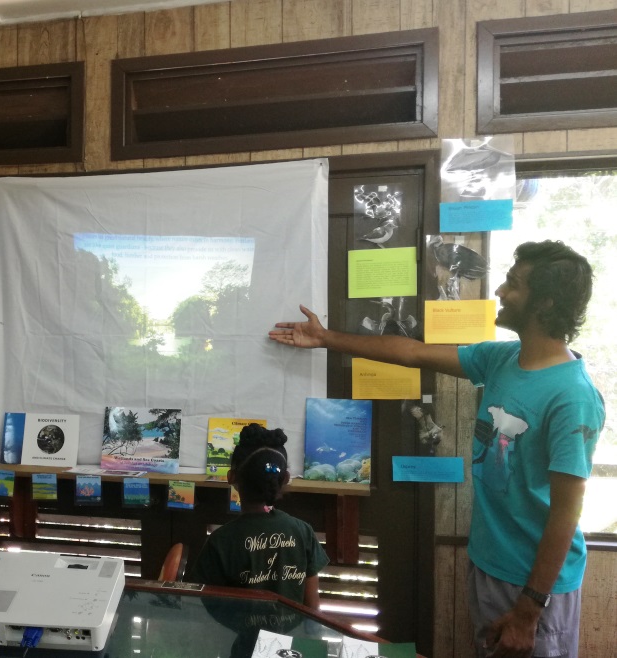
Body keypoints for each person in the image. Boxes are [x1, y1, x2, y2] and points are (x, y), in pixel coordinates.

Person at [270, 240, 605, 658]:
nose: (499, 291)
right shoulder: (504, 359)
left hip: (535, 587)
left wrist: (528, 610)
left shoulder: (572, 394)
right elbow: (411, 352)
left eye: (513, 284)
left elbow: (566, 512)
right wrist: (325, 339)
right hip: (490, 564)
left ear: (546, 302)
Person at [190, 423, 329, 608]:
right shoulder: (303, 532)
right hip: (290, 636)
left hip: (239, 636)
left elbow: (206, 607)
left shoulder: (220, 541)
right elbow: (313, 609)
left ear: (231, 477)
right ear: (285, 478)